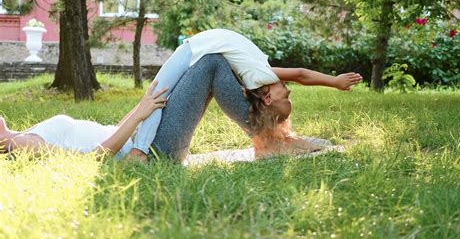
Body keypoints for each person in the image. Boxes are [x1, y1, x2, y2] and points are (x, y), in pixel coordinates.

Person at [129, 29, 362, 161]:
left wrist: (335, 82)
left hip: (159, 150)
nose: (287, 87)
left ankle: (274, 142)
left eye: (286, 94)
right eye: (288, 93)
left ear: (269, 98)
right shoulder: (257, 74)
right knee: (159, 93)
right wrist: (334, 81)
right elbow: (299, 74)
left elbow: (300, 74)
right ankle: (273, 141)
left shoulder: (257, 77)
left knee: (160, 91)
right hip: (161, 148)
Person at [0, 82, 167, 159]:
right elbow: (93, 157)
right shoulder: (22, 144)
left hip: (136, 136)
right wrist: (139, 115)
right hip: (143, 149)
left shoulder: (22, 136)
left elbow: (112, 131)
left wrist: (140, 106)